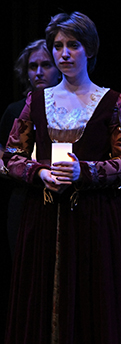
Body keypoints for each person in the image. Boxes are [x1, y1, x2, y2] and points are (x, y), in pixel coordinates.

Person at [1, 12, 121, 344]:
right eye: (59, 46)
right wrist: (39, 173)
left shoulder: (112, 102)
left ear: (89, 49)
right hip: (44, 217)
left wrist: (87, 172)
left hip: (95, 220)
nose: (64, 54)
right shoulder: (36, 102)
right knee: (44, 307)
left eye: (73, 45)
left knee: (93, 306)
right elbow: (12, 155)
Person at [1, 39, 62, 255]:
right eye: (32, 66)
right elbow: (4, 158)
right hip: (26, 197)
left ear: (59, 68)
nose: (38, 72)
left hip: (65, 198)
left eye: (46, 65)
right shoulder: (15, 111)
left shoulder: (74, 108)